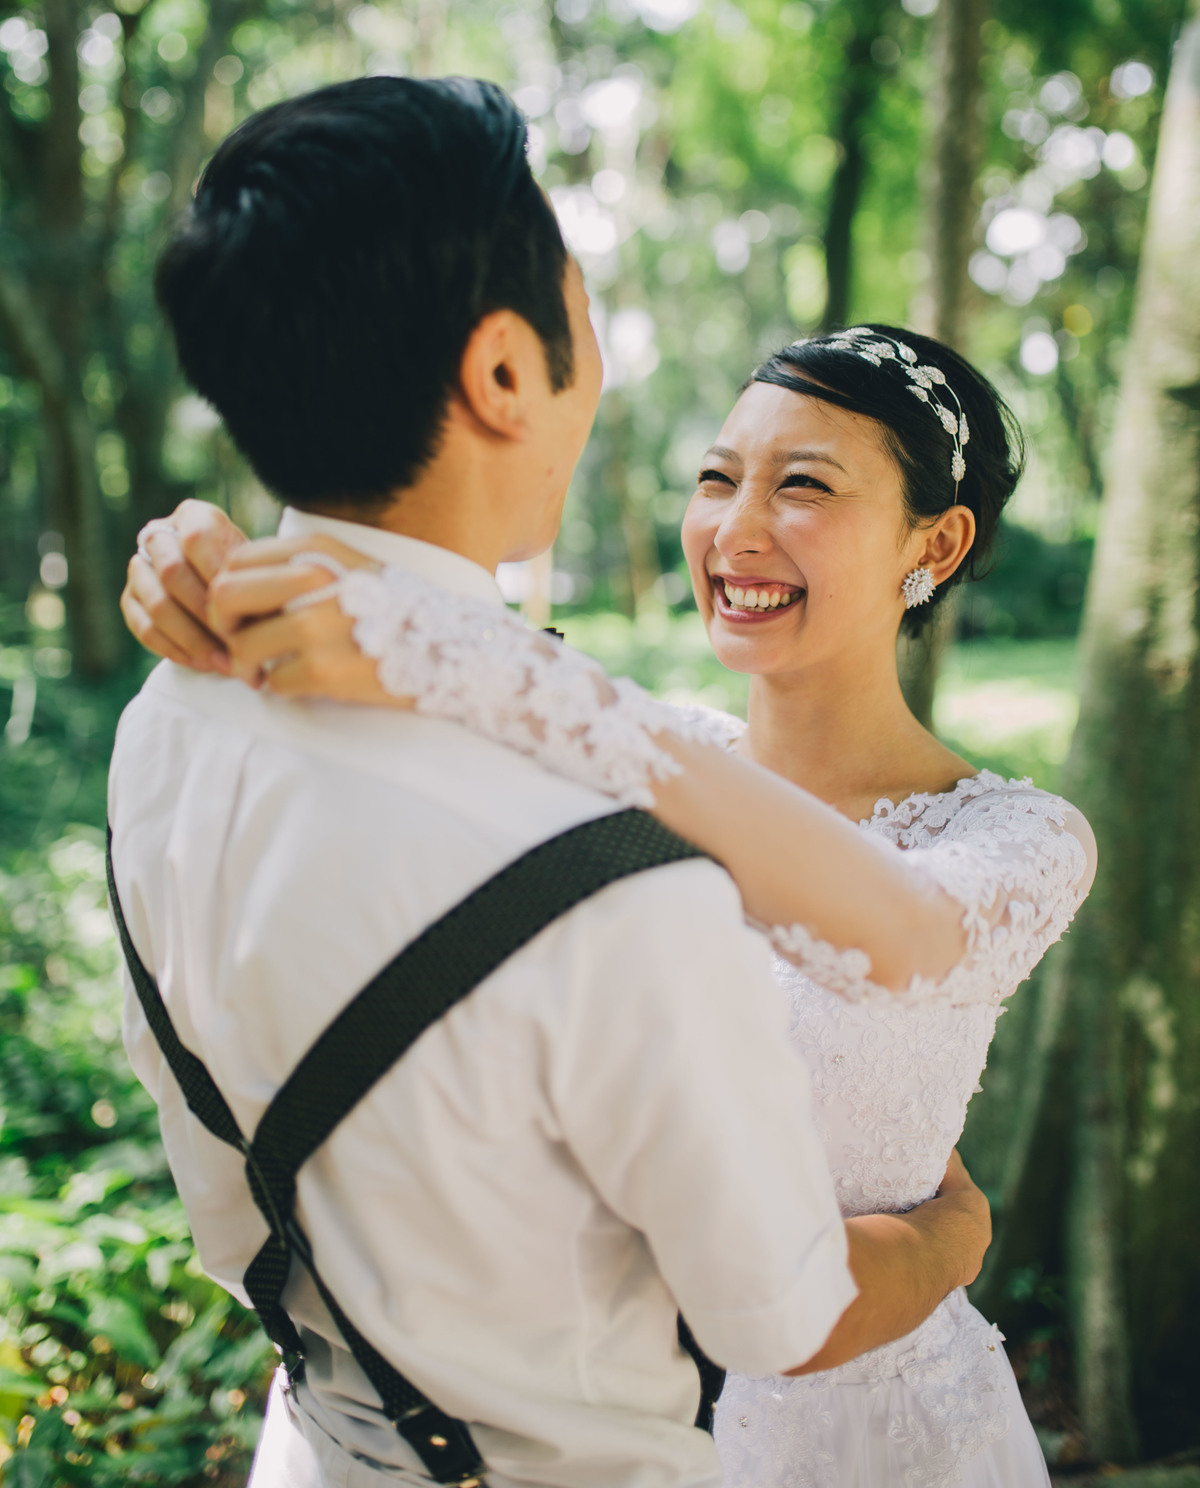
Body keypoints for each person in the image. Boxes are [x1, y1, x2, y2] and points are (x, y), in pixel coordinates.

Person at [109, 75, 996, 1488]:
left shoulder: (166, 714)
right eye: (583, 310)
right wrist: (955, 1235)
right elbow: (778, 1312)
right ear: (507, 372)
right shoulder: (615, 867)